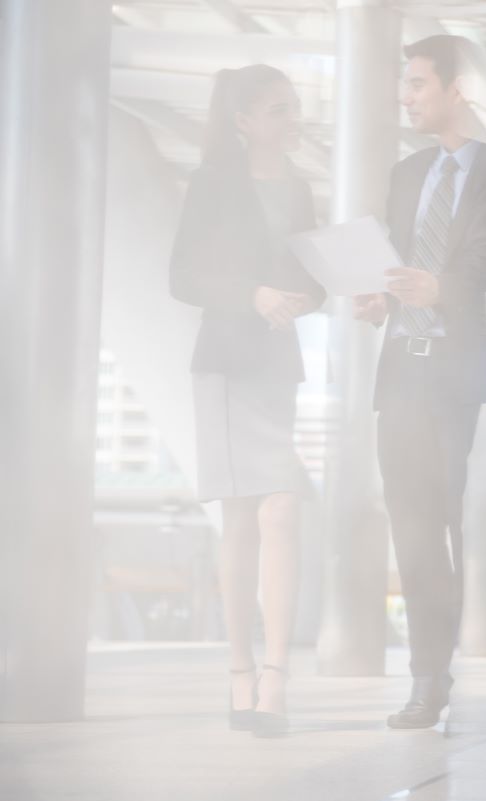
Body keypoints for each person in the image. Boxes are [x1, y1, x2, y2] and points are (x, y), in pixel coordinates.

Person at [353, 35, 486, 729]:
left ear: (457, 90)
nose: (405, 95)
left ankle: (435, 670)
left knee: (441, 523)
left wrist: (438, 286)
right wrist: (381, 296)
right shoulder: (406, 172)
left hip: (452, 375)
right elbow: (394, 255)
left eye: (418, 83)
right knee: (411, 530)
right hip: (401, 372)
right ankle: (427, 678)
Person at [170, 65, 325, 736]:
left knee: (282, 513)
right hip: (227, 367)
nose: (293, 119)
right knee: (241, 520)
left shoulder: (299, 189)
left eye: (294, 107)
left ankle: (275, 678)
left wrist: (306, 295)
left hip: (274, 365)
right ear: (244, 121)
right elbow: (182, 276)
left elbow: (311, 279)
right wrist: (255, 295)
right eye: (279, 109)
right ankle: (241, 669)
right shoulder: (211, 183)